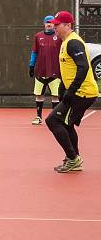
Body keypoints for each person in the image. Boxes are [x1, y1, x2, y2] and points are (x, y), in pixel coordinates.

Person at [45, 11, 99, 172]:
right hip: (77, 92)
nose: (54, 27)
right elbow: (69, 69)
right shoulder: (66, 42)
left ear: (68, 25)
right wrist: (63, 88)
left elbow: (83, 67)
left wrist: (71, 91)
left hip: (82, 93)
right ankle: (73, 158)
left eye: (57, 25)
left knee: (53, 121)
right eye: (53, 25)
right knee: (67, 124)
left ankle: (73, 158)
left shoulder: (73, 43)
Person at [28, 14, 61, 125]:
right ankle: (38, 117)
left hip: (55, 71)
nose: (49, 24)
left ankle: (54, 117)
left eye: (51, 22)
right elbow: (34, 52)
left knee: (55, 95)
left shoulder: (59, 36)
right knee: (39, 94)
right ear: (44, 24)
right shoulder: (38, 36)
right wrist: (31, 66)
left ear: (54, 24)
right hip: (40, 71)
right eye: (47, 22)